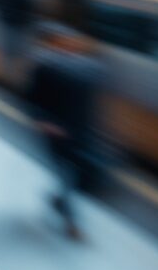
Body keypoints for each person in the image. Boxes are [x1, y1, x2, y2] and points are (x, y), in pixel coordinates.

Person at [25, 26, 103, 241]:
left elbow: (93, 103)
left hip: (82, 131)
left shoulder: (88, 68)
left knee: (73, 176)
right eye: (64, 43)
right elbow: (32, 98)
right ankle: (72, 223)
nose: (71, 46)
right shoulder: (44, 68)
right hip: (57, 132)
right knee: (65, 174)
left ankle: (60, 199)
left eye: (73, 43)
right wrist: (44, 122)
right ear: (54, 44)